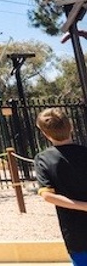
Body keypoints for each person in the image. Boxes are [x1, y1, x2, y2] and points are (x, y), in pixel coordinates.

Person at [34, 107, 87, 266]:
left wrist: (83, 206)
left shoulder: (43, 159)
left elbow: (47, 195)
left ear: (45, 134)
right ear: (71, 126)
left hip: (75, 231)